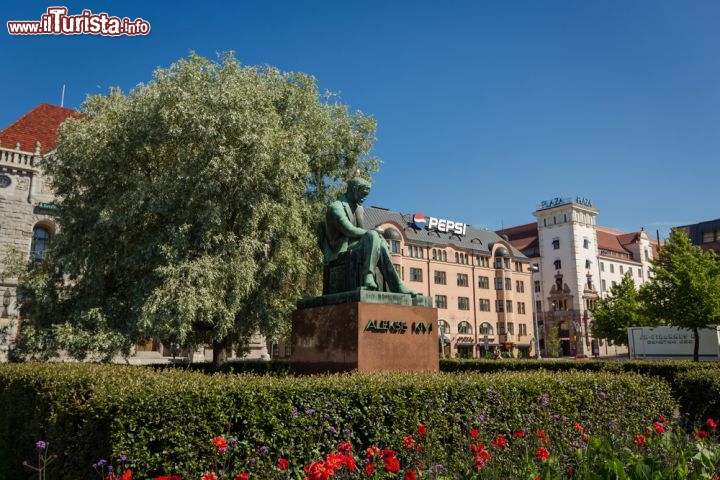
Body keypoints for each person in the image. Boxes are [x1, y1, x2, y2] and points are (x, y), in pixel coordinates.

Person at [321, 176, 415, 295]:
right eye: (363, 194)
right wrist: (374, 234)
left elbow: (361, 232)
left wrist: (376, 237)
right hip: (340, 248)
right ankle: (377, 279)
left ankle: (395, 284)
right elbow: (350, 231)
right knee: (373, 236)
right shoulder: (335, 207)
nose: (365, 198)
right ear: (354, 190)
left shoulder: (359, 209)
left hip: (355, 245)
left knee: (379, 243)